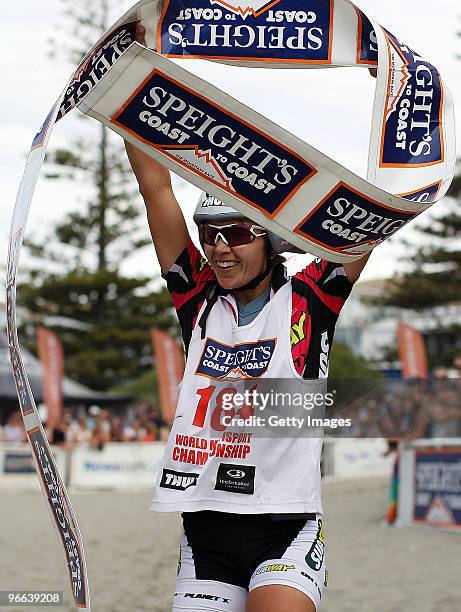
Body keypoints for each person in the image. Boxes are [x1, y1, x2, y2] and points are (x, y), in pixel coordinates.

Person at [125, 24, 370, 612]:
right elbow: (155, 185)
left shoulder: (310, 299)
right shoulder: (198, 299)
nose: (220, 248)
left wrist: (393, 103)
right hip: (206, 530)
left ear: (271, 241)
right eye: (210, 235)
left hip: (284, 527)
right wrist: (130, 73)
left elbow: (372, 221)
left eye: (236, 234)